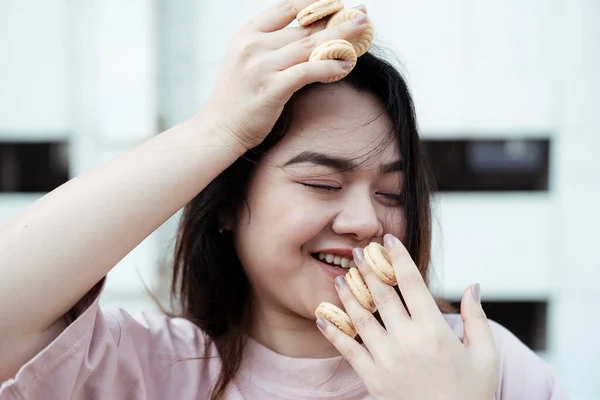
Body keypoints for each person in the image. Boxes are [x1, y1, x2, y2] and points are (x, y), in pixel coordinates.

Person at [0, 1, 567, 399]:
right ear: (225, 202)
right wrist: (220, 130)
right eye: (322, 184)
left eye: (393, 192)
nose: (366, 220)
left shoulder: (482, 368)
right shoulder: (145, 370)